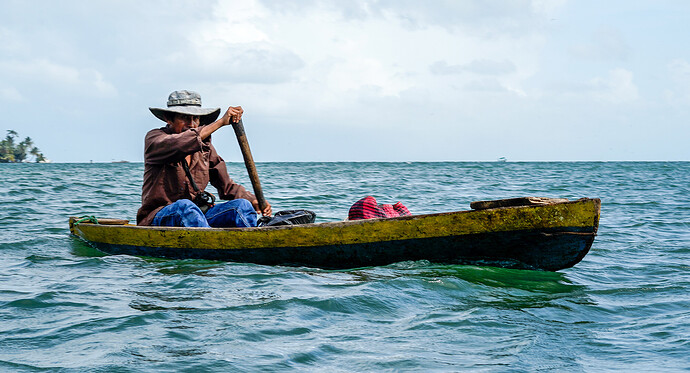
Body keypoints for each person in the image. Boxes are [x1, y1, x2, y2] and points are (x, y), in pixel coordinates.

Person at [136, 90, 272, 227]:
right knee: (184, 207)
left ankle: (251, 244)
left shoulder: (205, 149)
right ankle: (208, 246)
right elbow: (181, 143)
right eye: (184, 118)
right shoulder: (155, 139)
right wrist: (220, 123)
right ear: (168, 119)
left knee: (241, 206)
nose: (191, 124)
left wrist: (253, 200)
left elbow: (227, 186)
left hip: (197, 216)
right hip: (160, 216)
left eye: (195, 118)